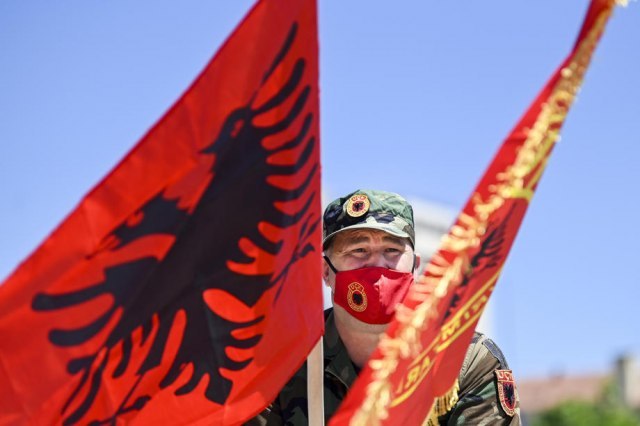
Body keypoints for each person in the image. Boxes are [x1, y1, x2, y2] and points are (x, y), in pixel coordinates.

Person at [250, 189, 521, 425]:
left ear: (415, 266)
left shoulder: (465, 359)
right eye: (358, 250)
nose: (377, 264)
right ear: (325, 271)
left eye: (392, 250)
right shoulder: (284, 360)